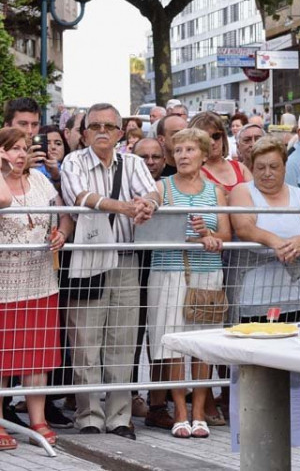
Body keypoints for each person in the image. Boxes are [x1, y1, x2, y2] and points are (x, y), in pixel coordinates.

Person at [60, 103, 160, 440]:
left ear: (121, 133)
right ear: (85, 132)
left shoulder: (132, 162)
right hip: (88, 258)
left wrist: (147, 205)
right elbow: (80, 195)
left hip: (126, 260)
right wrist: (122, 206)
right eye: (95, 125)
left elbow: (153, 190)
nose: (102, 131)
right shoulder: (73, 160)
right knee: (86, 343)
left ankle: (120, 417)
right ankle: (88, 416)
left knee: (123, 341)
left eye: (110, 126)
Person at [147, 127, 230, 439]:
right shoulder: (162, 187)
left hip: (207, 273)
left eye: (190, 150)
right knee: (173, 345)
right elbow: (152, 221)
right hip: (168, 272)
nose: (183, 155)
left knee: (202, 346)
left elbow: (227, 234)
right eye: (179, 150)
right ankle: (180, 410)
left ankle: (199, 411)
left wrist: (209, 237)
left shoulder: (216, 191)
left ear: (204, 154)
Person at [0, 126, 72, 450]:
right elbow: (3, 199)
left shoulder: (41, 179)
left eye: (23, 147)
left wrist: (61, 232)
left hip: (42, 281)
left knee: (36, 357)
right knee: (3, 357)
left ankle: (38, 419)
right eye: (12, 148)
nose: (19, 154)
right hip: (5, 283)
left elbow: (62, 214)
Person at [228, 137, 300, 320]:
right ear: (252, 168)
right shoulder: (243, 191)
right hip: (252, 298)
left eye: (273, 167)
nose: (267, 173)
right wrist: (277, 243)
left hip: (296, 296)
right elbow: (244, 228)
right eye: (260, 167)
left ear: (284, 167)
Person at [129, 136, 171, 428]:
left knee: (159, 339)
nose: (150, 162)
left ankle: (159, 403)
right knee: (130, 337)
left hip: (163, 269)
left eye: (156, 156)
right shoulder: (126, 181)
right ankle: (129, 394)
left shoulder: (170, 185)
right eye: (143, 157)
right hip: (132, 268)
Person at [191, 111, 252, 193]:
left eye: (216, 136)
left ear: (223, 137)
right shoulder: (194, 173)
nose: (212, 142)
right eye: (205, 138)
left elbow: (256, 198)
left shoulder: (240, 168)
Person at [157, 113, 188, 177]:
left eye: (186, 133)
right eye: (177, 134)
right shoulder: (155, 171)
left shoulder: (197, 170)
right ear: (161, 140)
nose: (184, 138)